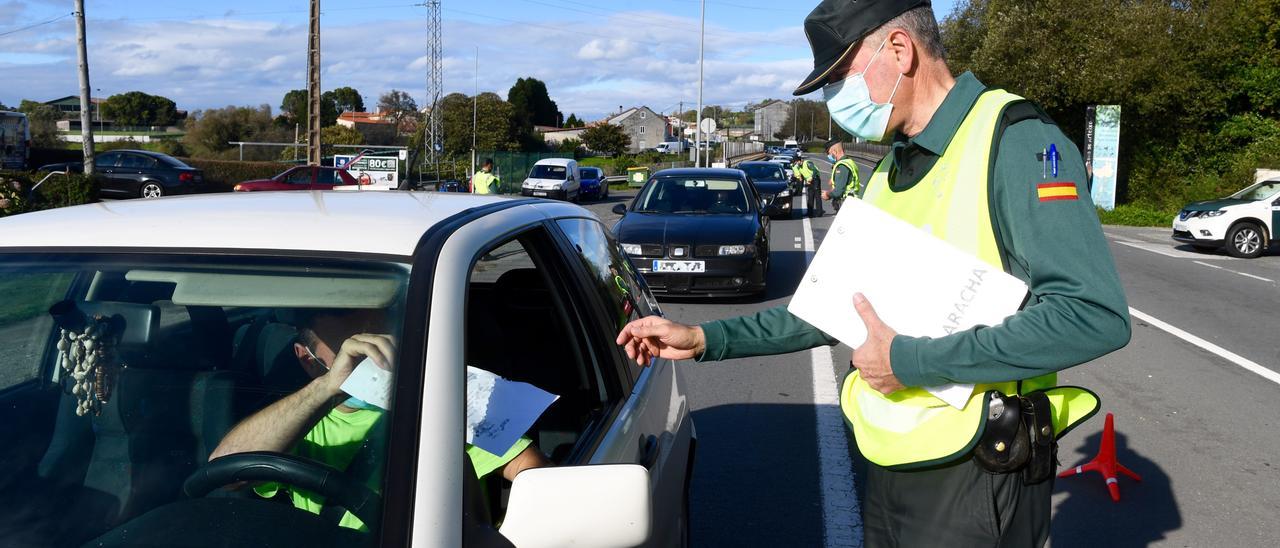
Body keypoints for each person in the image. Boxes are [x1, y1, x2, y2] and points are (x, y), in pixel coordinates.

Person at [615, 1, 1131, 546]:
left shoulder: (1015, 139)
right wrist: (703, 337)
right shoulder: (889, 169)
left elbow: (1091, 315)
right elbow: (832, 307)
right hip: (890, 460)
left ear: (901, 50)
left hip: (979, 471)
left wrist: (909, 361)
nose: (834, 99)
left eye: (839, 76)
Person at [210, 308, 549, 531]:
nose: (369, 354)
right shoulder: (301, 421)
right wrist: (329, 386)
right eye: (348, 347)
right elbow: (226, 471)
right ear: (308, 360)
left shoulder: (441, 399)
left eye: (375, 338)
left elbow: (540, 482)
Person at [823, 140, 861, 212]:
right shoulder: (849, 162)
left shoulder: (842, 166)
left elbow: (838, 191)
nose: (829, 156)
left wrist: (827, 194)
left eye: (829, 153)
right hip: (852, 202)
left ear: (834, 152)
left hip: (846, 204)